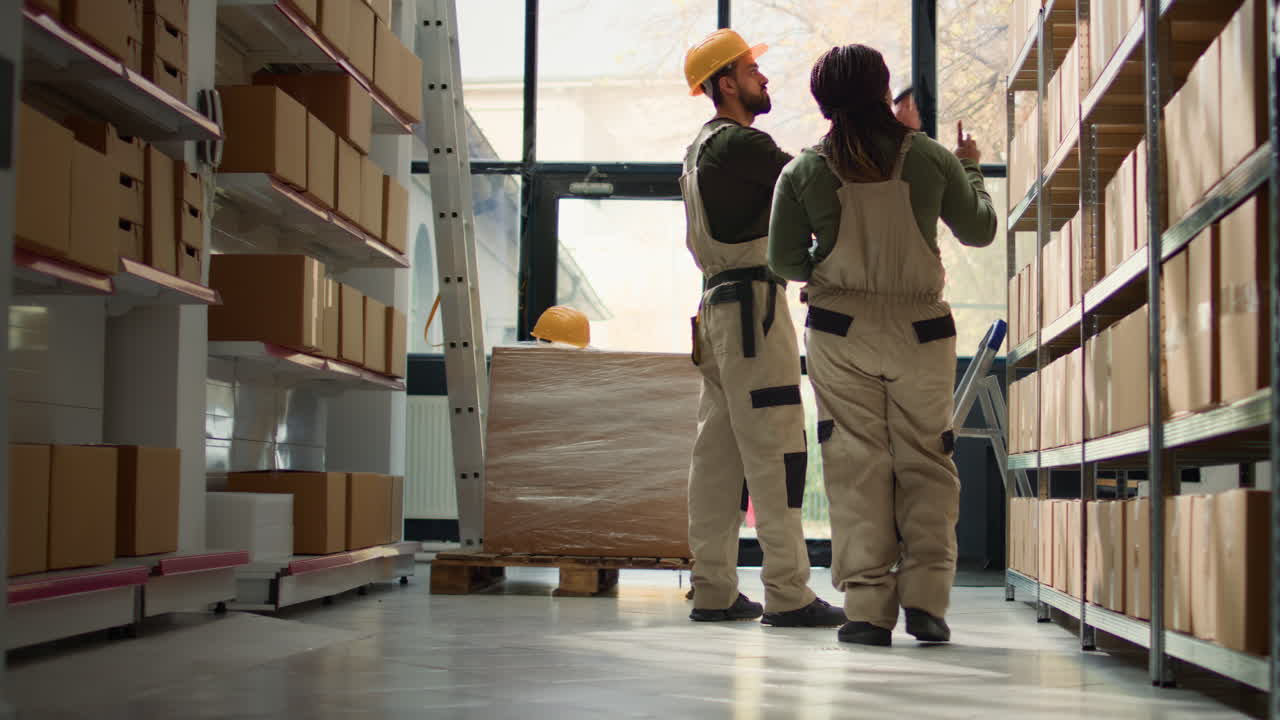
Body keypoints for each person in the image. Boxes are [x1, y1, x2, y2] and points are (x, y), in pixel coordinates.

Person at [768, 44, 996, 646]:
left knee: (856, 464)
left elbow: (783, 261)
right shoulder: (928, 157)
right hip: (922, 332)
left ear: (822, 101)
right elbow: (979, 230)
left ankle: (868, 612)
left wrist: (829, 262)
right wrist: (970, 166)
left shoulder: (804, 171)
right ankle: (926, 603)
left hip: (840, 331)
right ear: (881, 88)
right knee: (927, 460)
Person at [679, 28, 845, 628]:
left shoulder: (699, 150)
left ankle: (714, 590)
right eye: (752, 68)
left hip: (717, 316)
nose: (764, 77)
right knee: (777, 448)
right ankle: (789, 591)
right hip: (753, 310)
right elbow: (807, 179)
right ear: (726, 82)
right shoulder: (740, 144)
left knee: (717, 460)